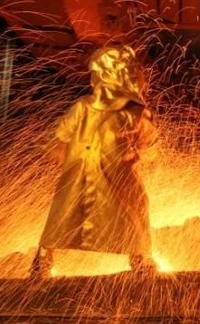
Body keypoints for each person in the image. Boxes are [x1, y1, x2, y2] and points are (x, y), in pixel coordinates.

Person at [30, 45, 157, 279]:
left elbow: (57, 139)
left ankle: (42, 263)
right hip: (120, 175)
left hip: (79, 174)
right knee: (133, 211)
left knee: (64, 215)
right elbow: (148, 145)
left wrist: (63, 157)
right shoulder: (135, 112)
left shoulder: (83, 107)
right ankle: (140, 260)